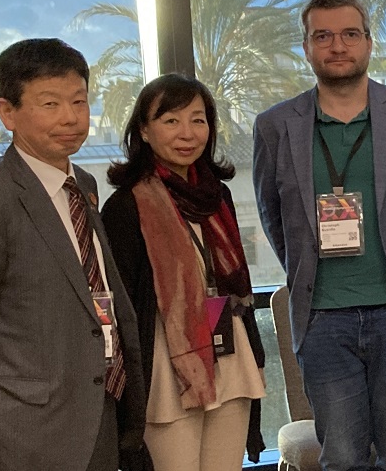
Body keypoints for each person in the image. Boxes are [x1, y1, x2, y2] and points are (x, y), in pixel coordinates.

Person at [0, 38, 148, 471]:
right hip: (19, 431)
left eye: (79, 101)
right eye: (50, 104)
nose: (70, 117)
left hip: (96, 410)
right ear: (7, 113)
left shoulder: (83, 186)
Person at [253, 0, 386, 471]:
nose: (337, 46)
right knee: (340, 458)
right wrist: (305, 269)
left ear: (369, 42)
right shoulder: (275, 125)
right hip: (322, 320)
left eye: (350, 34)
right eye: (323, 36)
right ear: (306, 47)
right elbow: (273, 214)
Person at [101, 74, 266, 470]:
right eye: (171, 120)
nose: (187, 133)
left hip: (229, 355)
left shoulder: (218, 196)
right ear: (144, 129)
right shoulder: (125, 206)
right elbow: (121, 307)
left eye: (198, 120)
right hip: (166, 367)